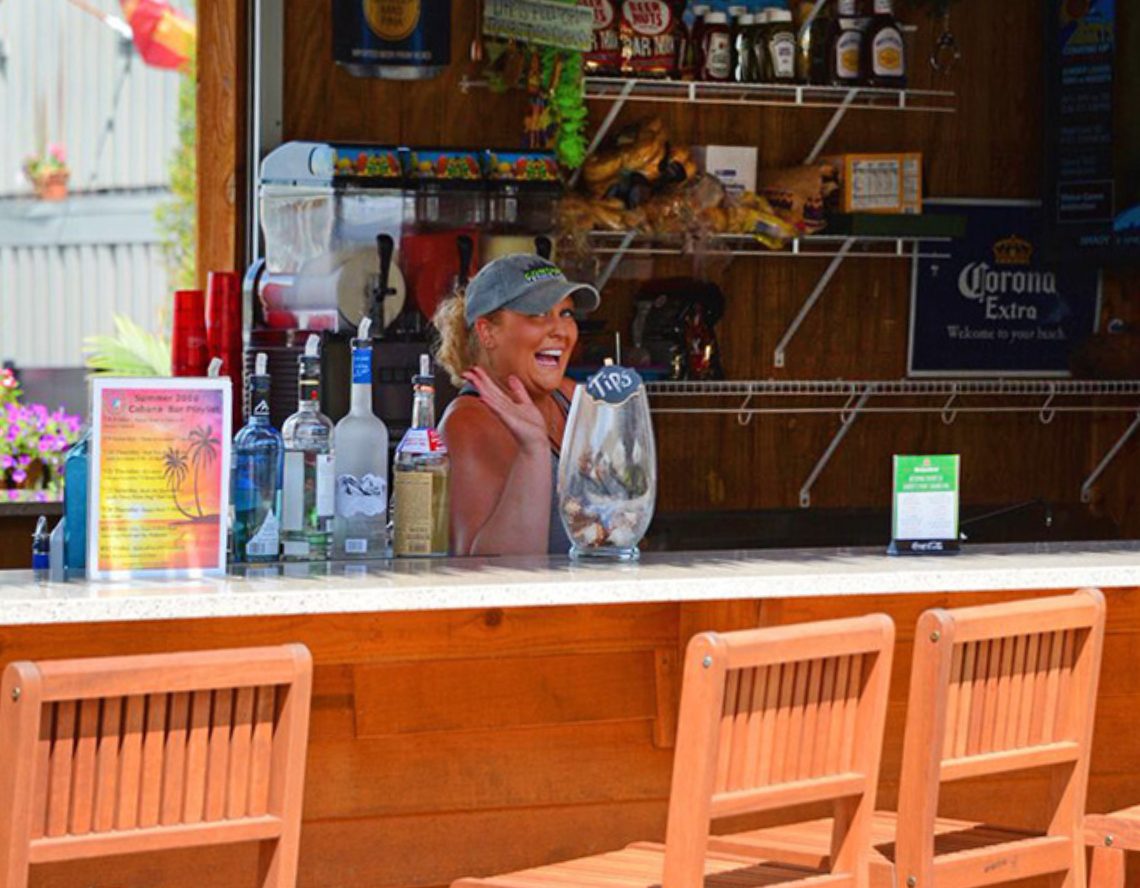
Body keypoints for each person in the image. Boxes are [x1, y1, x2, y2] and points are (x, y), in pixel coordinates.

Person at [434, 254, 600, 556]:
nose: (561, 331)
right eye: (538, 314)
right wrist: (533, 449)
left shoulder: (572, 399)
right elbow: (488, 571)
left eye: (566, 314)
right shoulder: (467, 424)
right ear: (488, 332)